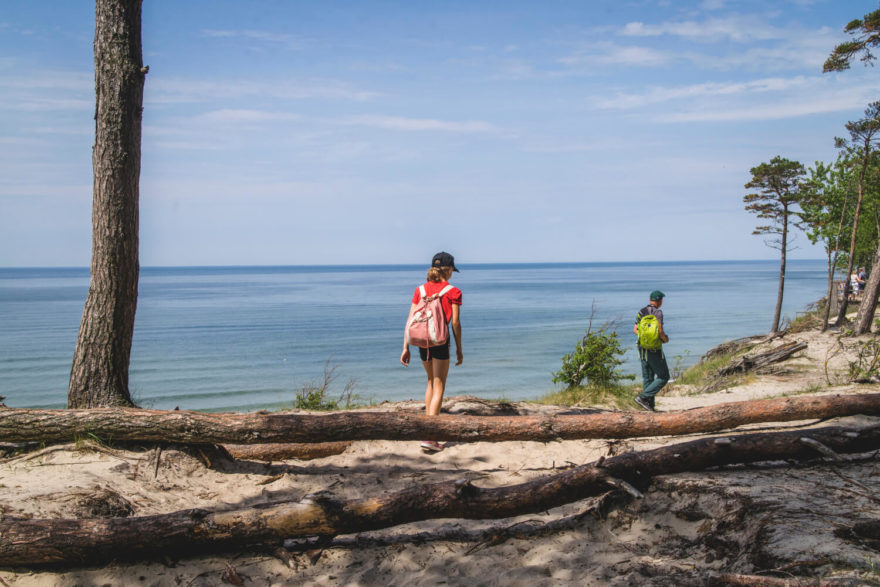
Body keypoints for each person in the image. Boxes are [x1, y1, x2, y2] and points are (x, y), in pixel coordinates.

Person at [400, 252, 463, 453]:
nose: (452, 273)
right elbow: (455, 323)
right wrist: (459, 349)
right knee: (439, 384)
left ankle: (427, 430)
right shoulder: (453, 291)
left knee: (430, 382)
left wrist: (405, 347)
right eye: (452, 269)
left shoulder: (420, 290)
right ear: (448, 269)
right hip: (440, 341)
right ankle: (430, 436)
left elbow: (410, 319)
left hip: (421, 340)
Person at [633, 290, 669, 412]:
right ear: (660, 301)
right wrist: (665, 339)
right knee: (664, 376)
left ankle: (649, 406)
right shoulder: (658, 312)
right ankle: (643, 397)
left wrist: (645, 339)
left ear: (650, 300)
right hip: (654, 349)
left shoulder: (641, 311)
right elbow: (660, 331)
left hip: (642, 348)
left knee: (648, 378)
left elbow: (635, 330)